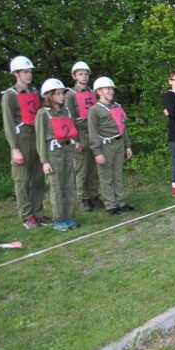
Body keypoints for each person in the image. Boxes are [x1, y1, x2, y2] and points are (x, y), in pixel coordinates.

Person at [1, 56, 51, 229]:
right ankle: (27, 215)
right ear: (16, 73)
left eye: (30, 72)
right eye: (25, 72)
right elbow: (8, 123)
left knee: (38, 178)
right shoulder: (10, 95)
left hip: (36, 135)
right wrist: (14, 148)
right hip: (21, 137)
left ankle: (38, 212)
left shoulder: (35, 92)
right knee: (22, 179)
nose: (29, 75)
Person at [36, 79, 79, 231]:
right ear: (50, 96)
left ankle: (69, 216)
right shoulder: (43, 113)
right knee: (57, 187)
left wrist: (73, 155)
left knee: (68, 185)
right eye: (58, 94)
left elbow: (71, 134)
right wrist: (44, 161)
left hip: (67, 150)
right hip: (53, 153)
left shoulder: (66, 111)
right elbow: (40, 138)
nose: (62, 97)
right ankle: (59, 219)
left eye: (63, 93)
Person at [88, 77, 135, 215]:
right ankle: (110, 205)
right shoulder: (94, 110)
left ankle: (121, 202)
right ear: (99, 91)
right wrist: (97, 152)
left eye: (111, 88)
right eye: (107, 88)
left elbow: (122, 127)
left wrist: (128, 145)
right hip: (105, 146)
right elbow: (93, 132)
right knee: (106, 176)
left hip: (119, 144)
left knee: (118, 175)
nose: (111, 91)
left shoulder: (117, 106)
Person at [64, 61, 104, 211]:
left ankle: (94, 195)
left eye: (86, 74)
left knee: (94, 168)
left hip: (94, 133)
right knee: (82, 168)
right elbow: (69, 118)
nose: (84, 76)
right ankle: (84, 198)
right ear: (74, 76)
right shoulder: (70, 95)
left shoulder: (93, 93)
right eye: (81, 74)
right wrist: (75, 139)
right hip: (80, 134)